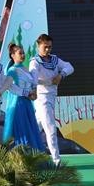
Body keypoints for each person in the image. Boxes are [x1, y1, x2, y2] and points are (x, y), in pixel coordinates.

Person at [29, 34, 74, 165]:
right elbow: (33, 77)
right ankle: (56, 160)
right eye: (45, 47)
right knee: (50, 129)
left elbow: (70, 67)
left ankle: (18, 154)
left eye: (50, 47)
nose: (48, 50)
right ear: (39, 46)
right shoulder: (35, 61)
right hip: (42, 98)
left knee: (35, 128)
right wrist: (44, 82)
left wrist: (61, 75)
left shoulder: (54, 59)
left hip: (51, 97)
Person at [3, 43, 44, 151]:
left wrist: (34, 92)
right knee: (23, 132)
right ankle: (24, 158)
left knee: (31, 130)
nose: (22, 55)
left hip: (27, 104)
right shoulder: (12, 70)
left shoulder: (25, 69)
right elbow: (10, 87)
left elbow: (32, 84)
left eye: (23, 53)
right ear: (12, 55)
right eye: (20, 53)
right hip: (18, 104)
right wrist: (27, 93)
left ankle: (34, 157)